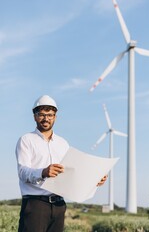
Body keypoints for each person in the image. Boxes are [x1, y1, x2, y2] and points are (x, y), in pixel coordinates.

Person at [15, 95, 107, 232]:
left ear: (55, 117)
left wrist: (94, 179)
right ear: (34, 116)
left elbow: (71, 173)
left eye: (50, 115)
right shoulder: (26, 140)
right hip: (36, 205)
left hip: (59, 206)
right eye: (41, 114)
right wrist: (43, 172)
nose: (46, 118)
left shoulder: (63, 144)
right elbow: (22, 172)